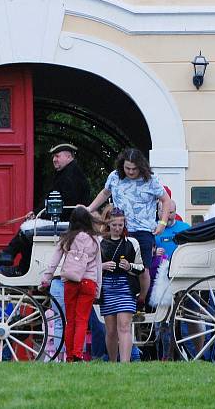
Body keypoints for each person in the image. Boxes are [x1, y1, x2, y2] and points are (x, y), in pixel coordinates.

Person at [0, 143, 91, 275]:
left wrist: (40, 214)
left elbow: (63, 204)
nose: (54, 159)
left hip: (68, 223)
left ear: (69, 157)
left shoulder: (71, 176)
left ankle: (14, 261)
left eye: (57, 156)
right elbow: (53, 201)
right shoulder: (67, 173)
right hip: (66, 220)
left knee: (27, 229)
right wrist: (36, 213)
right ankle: (18, 264)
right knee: (28, 230)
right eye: (53, 157)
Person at [86, 148, 170, 309]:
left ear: (141, 167)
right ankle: (109, 296)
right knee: (116, 264)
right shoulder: (115, 176)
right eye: (127, 168)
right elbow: (104, 193)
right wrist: (89, 208)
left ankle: (142, 300)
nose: (131, 172)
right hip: (120, 227)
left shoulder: (151, 180)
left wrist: (162, 223)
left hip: (144, 230)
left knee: (143, 267)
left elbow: (165, 200)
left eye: (134, 168)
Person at [39, 206, 102, 362]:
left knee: (70, 321)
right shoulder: (95, 241)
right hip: (89, 282)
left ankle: (70, 357)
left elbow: (54, 262)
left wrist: (46, 279)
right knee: (82, 320)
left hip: (71, 282)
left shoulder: (66, 238)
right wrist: (98, 290)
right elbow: (99, 266)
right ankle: (78, 353)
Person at [98, 207, 144, 363]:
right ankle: (112, 361)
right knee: (110, 330)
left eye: (120, 225)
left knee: (124, 326)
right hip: (107, 288)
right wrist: (102, 266)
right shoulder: (100, 242)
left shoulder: (132, 243)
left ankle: (125, 363)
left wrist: (129, 266)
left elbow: (141, 267)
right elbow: (90, 266)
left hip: (126, 287)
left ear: (125, 225)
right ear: (108, 225)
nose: (117, 228)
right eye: (114, 225)